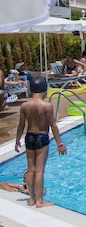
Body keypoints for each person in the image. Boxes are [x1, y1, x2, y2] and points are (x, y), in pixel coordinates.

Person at [14, 75, 67, 207]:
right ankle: (39, 201)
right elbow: (53, 126)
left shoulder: (24, 106)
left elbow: (21, 126)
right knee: (39, 170)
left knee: (30, 169)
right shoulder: (46, 106)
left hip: (29, 137)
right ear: (44, 90)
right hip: (41, 137)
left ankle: (31, 199)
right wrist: (60, 144)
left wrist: (17, 141)